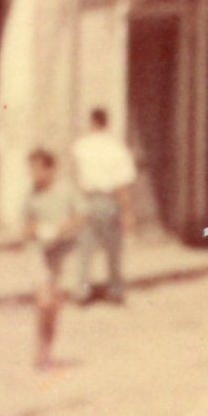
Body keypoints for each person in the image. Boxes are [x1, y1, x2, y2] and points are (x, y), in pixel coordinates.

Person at [21, 148, 83, 371]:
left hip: (64, 252)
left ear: (49, 169)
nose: (33, 174)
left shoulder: (67, 190)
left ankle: (47, 350)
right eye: (31, 170)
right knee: (43, 302)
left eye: (37, 169)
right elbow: (26, 226)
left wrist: (59, 228)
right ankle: (39, 350)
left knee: (54, 306)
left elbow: (82, 216)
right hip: (40, 252)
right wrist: (37, 231)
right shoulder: (31, 196)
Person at [70, 107, 137, 304]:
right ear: (107, 123)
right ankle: (115, 291)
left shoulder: (80, 146)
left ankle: (82, 292)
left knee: (85, 250)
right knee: (113, 250)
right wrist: (127, 212)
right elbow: (122, 184)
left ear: (92, 122)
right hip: (109, 201)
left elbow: (74, 174)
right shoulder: (117, 148)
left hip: (87, 199)